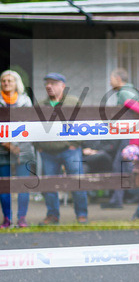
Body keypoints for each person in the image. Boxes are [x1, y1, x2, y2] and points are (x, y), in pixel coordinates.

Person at [35, 73, 89, 225]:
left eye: (53, 83)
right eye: (47, 83)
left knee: (77, 181)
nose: (49, 86)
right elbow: (32, 126)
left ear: (62, 86)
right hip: (47, 151)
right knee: (49, 184)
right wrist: (38, 146)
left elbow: (84, 122)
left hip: (69, 149)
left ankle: (81, 214)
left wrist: (75, 142)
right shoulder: (41, 104)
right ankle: (52, 215)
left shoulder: (72, 102)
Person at [102, 68, 139, 209]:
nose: (110, 82)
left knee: (120, 166)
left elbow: (134, 110)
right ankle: (123, 198)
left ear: (118, 79)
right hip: (132, 134)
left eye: (111, 78)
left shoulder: (125, 93)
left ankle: (123, 198)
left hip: (129, 134)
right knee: (124, 165)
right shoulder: (131, 91)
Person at [1, 70, 32, 228]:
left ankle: (22, 218)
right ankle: (7, 219)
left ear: (16, 83)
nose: (6, 83)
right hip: (2, 150)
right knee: (4, 185)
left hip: (23, 148)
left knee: (23, 184)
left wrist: (17, 147)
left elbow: (29, 125)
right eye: (4, 80)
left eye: (10, 80)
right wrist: (8, 145)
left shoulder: (25, 101)